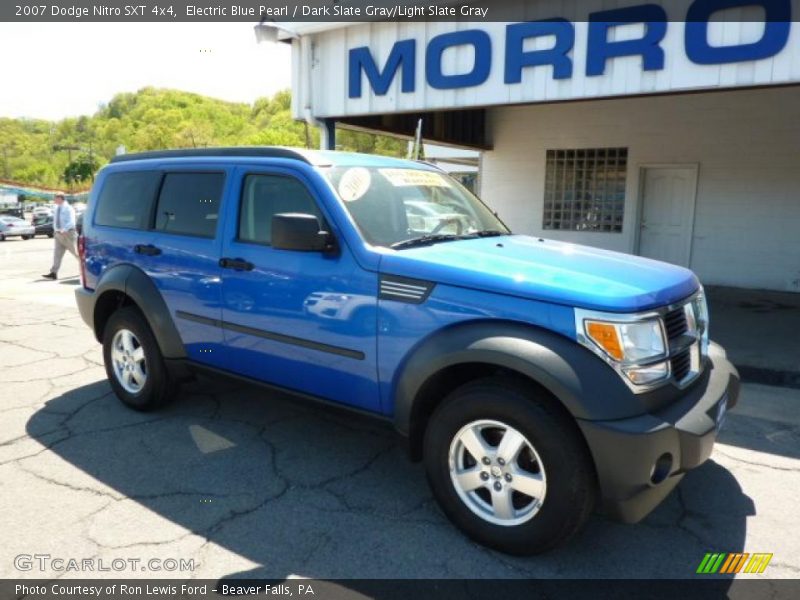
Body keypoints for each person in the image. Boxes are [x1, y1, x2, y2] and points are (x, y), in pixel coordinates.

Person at [42, 194, 78, 280]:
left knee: (76, 253)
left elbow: (72, 221)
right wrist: (56, 230)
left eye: (55, 198)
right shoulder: (56, 208)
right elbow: (55, 221)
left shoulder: (68, 208)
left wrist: (65, 229)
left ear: (60, 198)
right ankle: (53, 273)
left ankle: (87, 269)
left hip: (68, 234)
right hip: (58, 234)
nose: (54, 200)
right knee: (57, 254)